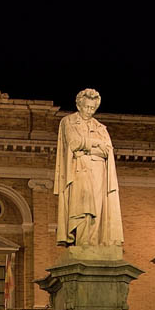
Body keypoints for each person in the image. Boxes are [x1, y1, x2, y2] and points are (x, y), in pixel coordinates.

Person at [54, 89, 124, 256]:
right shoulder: (68, 121)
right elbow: (74, 142)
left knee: (98, 208)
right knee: (82, 206)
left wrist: (87, 147)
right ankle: (82, 242)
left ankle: (95, 242)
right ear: (79, 105)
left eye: (93, 108)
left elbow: (107, 150)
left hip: (99, 171)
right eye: (86, 107)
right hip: (79, 169)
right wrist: (96, 144)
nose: (89, 111)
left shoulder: (100, 127)